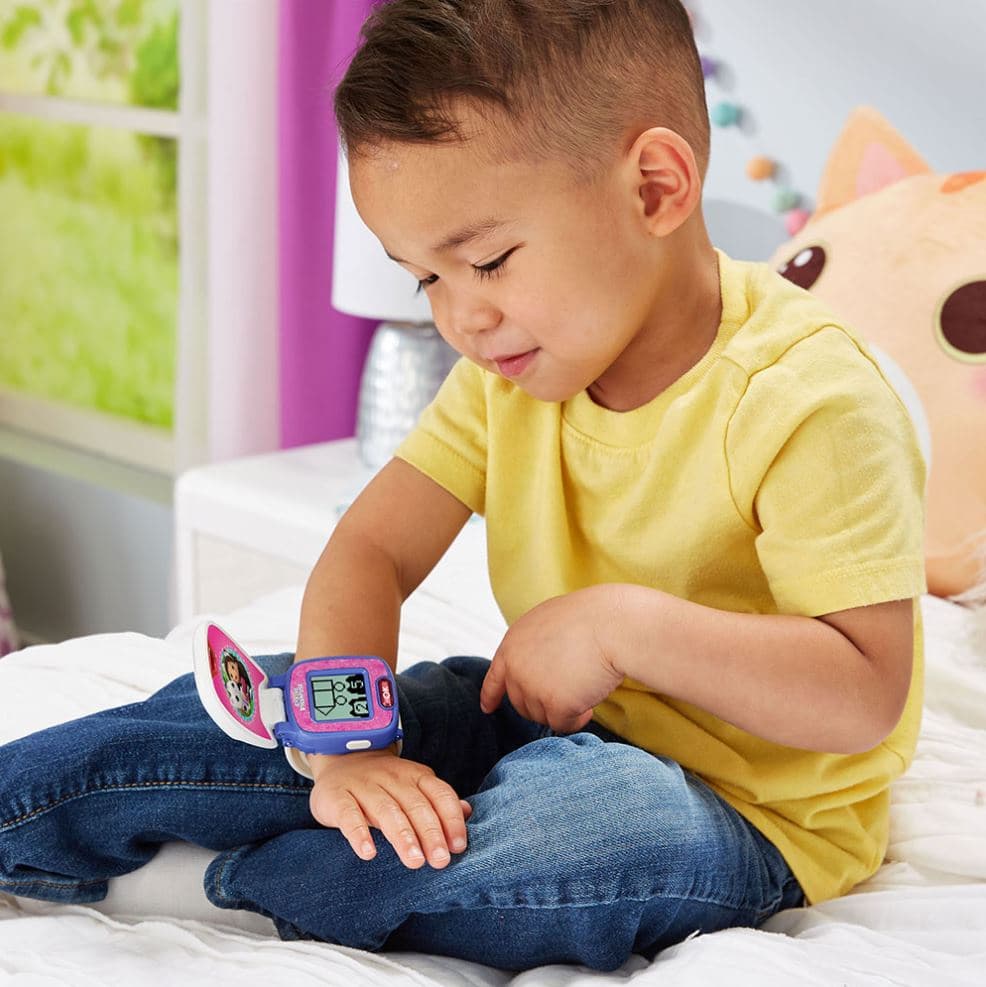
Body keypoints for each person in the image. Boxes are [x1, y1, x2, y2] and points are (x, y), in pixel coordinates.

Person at [0, 0, 926, 972]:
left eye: (485, 261)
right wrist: (349, 749)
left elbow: (864, 692)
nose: (461, 320)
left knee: (571, 834)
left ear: (654, 187)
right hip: (534, 714)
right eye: (426, 280)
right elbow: (372, 549)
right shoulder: (510, 371)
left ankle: (212, 884)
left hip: (745, 806)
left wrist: (620, 628)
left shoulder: (810, 399)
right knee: (261, 708)